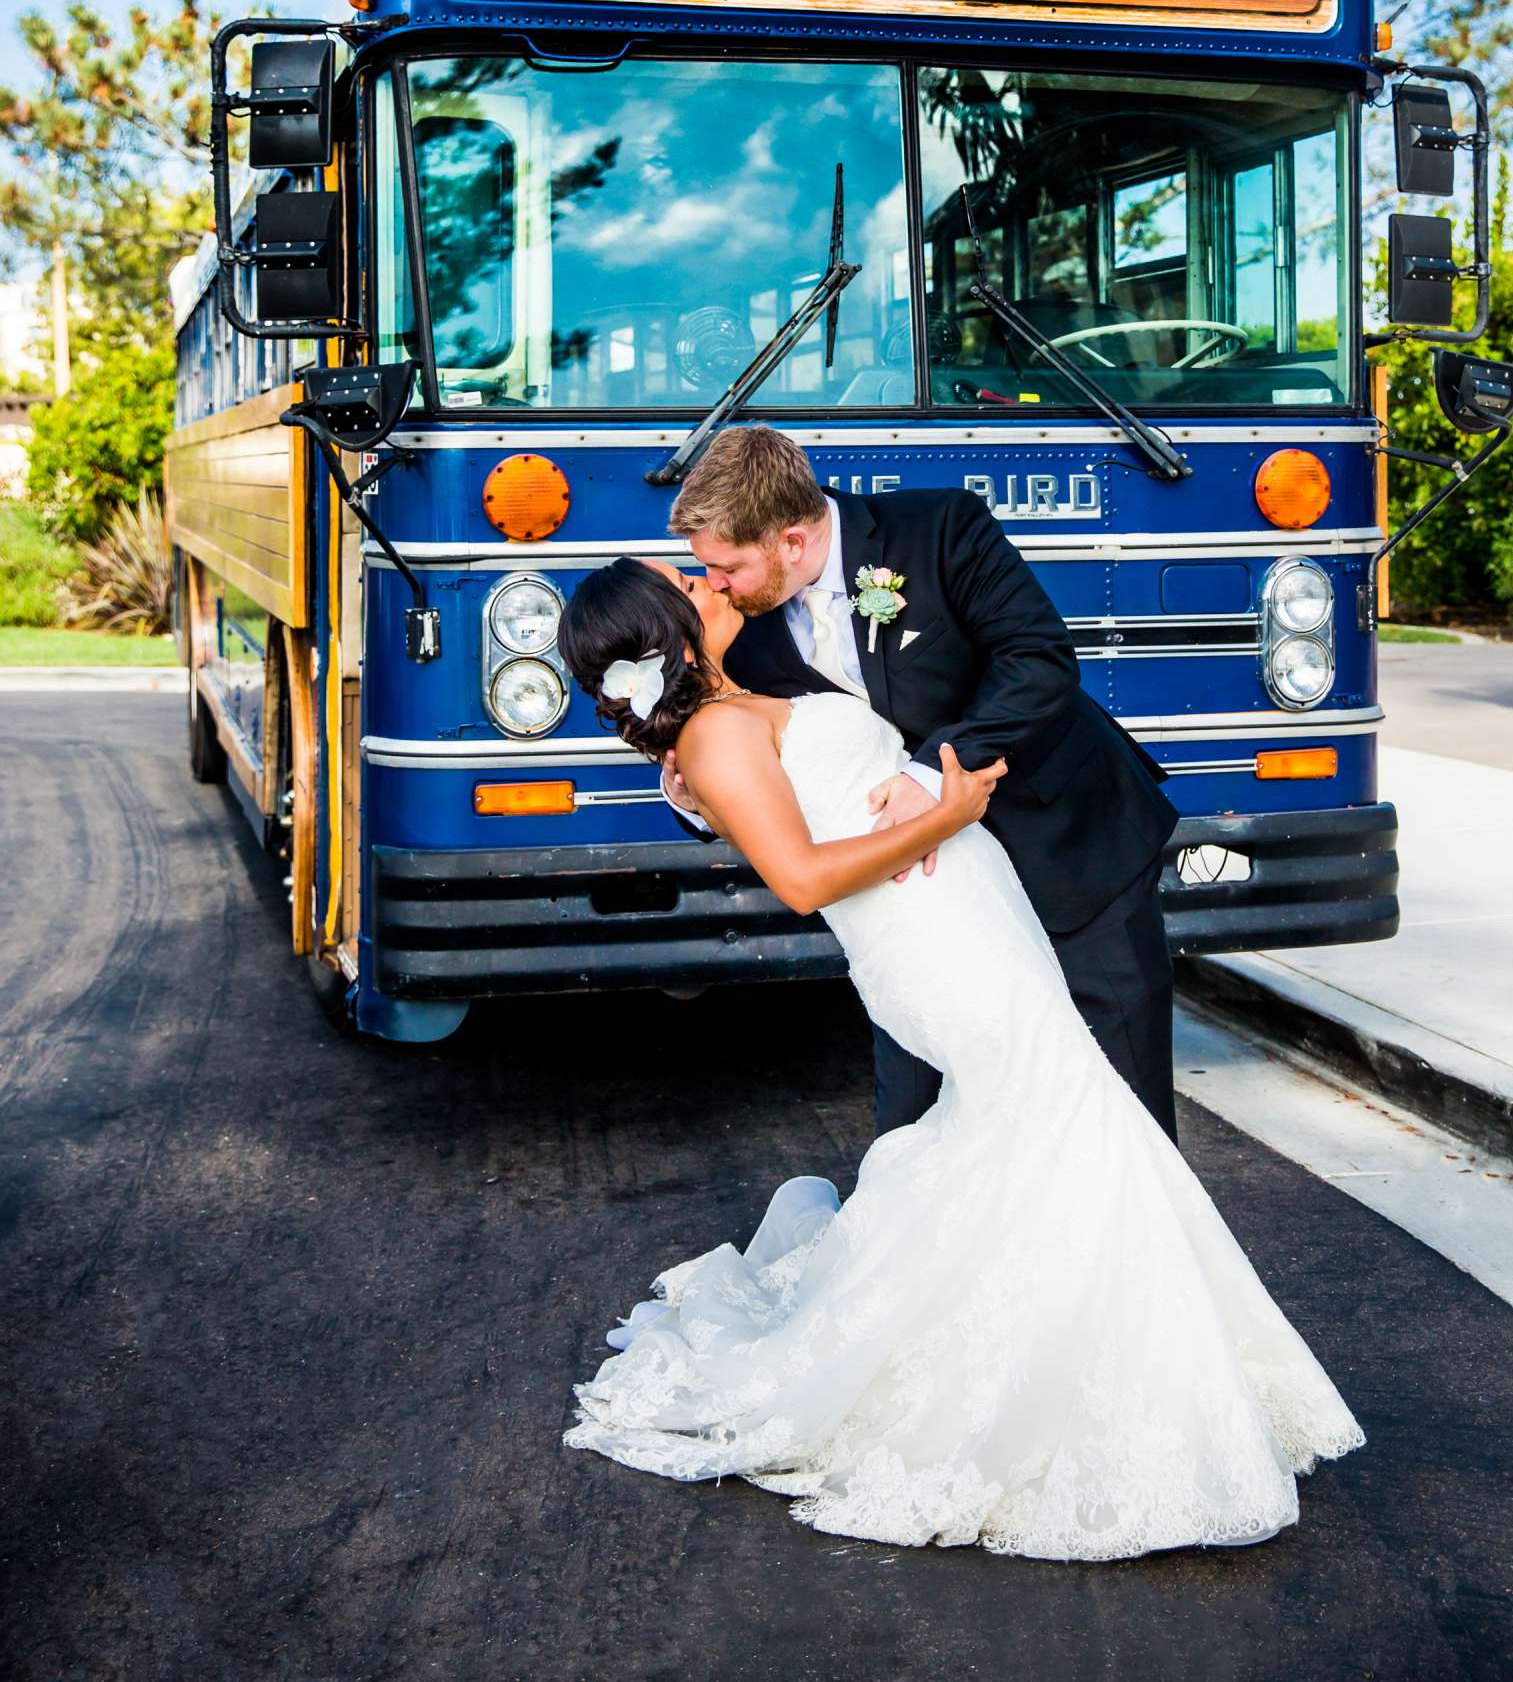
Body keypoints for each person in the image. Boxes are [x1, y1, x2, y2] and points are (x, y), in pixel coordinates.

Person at [554, 557, 1363, 1561]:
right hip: (931, 947)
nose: (702, 573)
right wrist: (943, 815)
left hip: (972, 913)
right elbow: (802, 880)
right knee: (1073, 1118)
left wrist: (935, 800)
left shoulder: (742, 701)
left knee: (1040, 1131)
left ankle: (1091, 1370)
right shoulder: (715, 736)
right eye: (678, 575)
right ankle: (1119, 1403)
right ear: (663, 624)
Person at [660, 427, 1181, 1139]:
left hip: (1069, 850)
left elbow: (1038, 660)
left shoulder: (940, 528)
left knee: (1122, 1106)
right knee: (911, 1125)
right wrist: (695, 799)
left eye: (728, 567)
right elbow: (749, 758)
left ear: (790, 541)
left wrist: (928, 772)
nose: (713, 585)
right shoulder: (740, 632)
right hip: (919, 907)